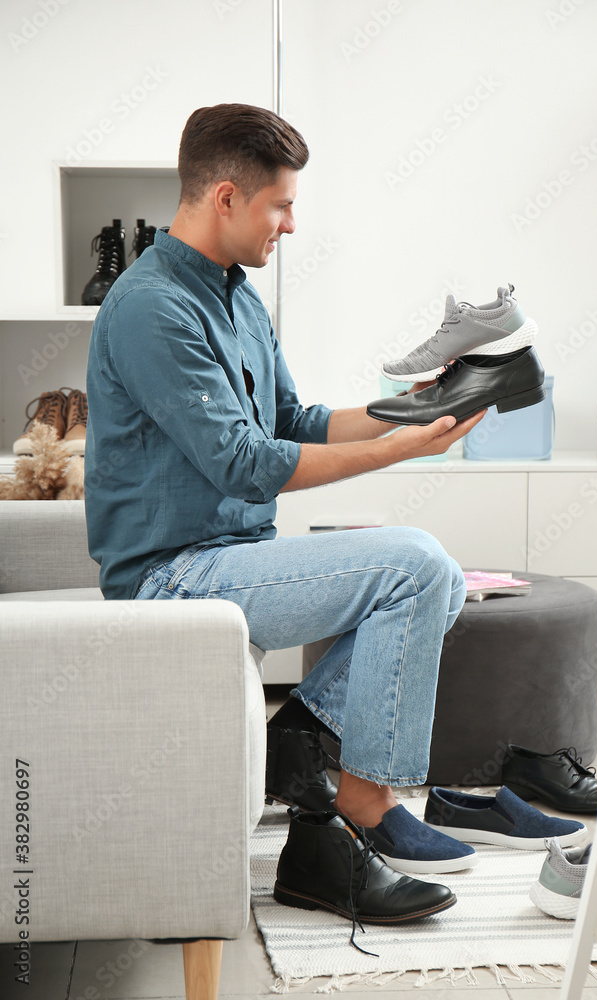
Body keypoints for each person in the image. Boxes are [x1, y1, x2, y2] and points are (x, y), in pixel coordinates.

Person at [85, 103, 486, 925]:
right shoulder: (150, 307)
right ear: (226, 197)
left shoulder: (236, 295)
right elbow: (241, 460)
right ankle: (357, 812)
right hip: (171, 577)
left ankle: (302, 748)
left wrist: (411, 413)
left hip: (229, 553)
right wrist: (399, 454)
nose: (291, 224)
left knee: (436, 579)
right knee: (412, 562)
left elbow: (290, 420)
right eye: (280, 204)